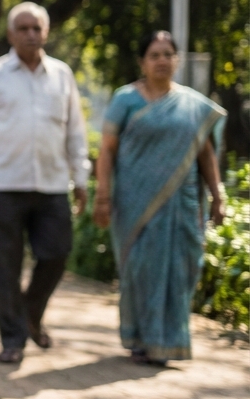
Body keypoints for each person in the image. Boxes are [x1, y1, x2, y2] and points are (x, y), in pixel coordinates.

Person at [0, 2, 89, 364]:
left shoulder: (62, 75)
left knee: (57, 253)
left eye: (37, 28)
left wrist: (81, 177)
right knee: (6, 265)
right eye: (24, 28)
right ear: (11, 34)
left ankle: (29, 311)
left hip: (51, 185)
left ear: (46, 33)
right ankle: (12, 339)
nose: (31, 34)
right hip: (3, 184)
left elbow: (75, 131)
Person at [94, 31, 225, 365]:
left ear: (177, 60)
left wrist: (218, 194)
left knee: (181, 269)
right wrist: (103, 196)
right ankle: (143, 338)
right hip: (134, 202)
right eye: (155, 55)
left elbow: (205, 153)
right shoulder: (126, 99)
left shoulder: (193, 104)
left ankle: (169, 340)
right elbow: (107, 150)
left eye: (168, 54)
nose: (162, 60)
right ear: (142, 62)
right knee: (139, 269)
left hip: (182, 204)